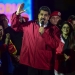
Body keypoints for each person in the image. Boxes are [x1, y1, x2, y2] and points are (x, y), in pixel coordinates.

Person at [11, 3, 59, 75]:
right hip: (32, 64)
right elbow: (15, 27)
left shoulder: (54, 29)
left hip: (46, 65)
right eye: (41, 14)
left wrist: (44, 34)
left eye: (45, 15)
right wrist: (17, 14)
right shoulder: (30, 25)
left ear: (49, 17)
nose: (43, 17)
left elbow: (55, 44)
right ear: (38, 15)